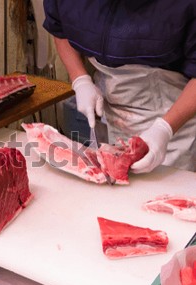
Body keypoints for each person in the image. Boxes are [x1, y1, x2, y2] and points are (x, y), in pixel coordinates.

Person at [43, 0, 196, 172]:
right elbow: (60, 27)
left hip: (175, 123)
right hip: (109, 116)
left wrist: (165, 129)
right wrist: (80, 79)